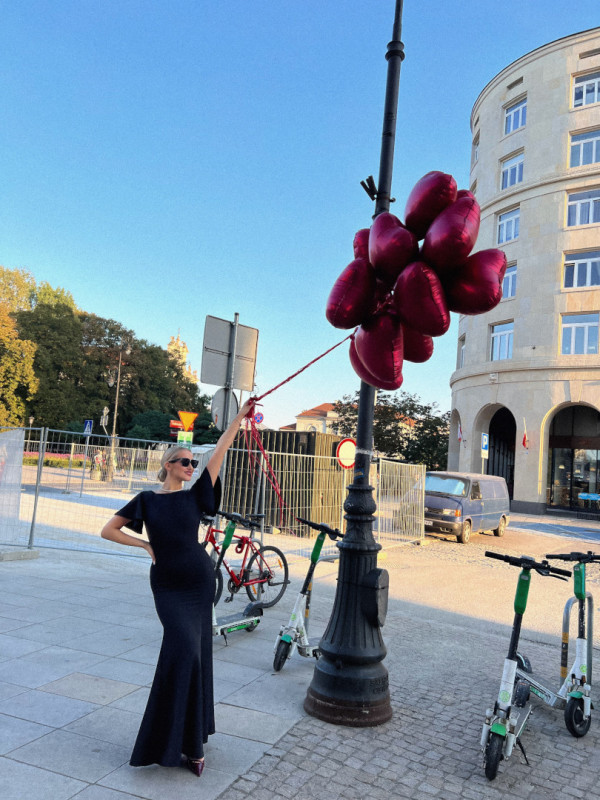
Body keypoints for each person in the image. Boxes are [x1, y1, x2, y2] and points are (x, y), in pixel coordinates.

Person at [101, 399, 254, 777]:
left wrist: (239, 417)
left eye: (192, 463)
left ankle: (192, 743)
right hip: (168, 587)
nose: (190, 466)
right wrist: (145, 544)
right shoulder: (146, 500)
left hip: (198, 581)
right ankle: (172, 740)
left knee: (196, 654)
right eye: (184, 461)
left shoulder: (195, 495)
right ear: (168, 464)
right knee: (183, 649)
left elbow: (219, 452)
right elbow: (109, 530)